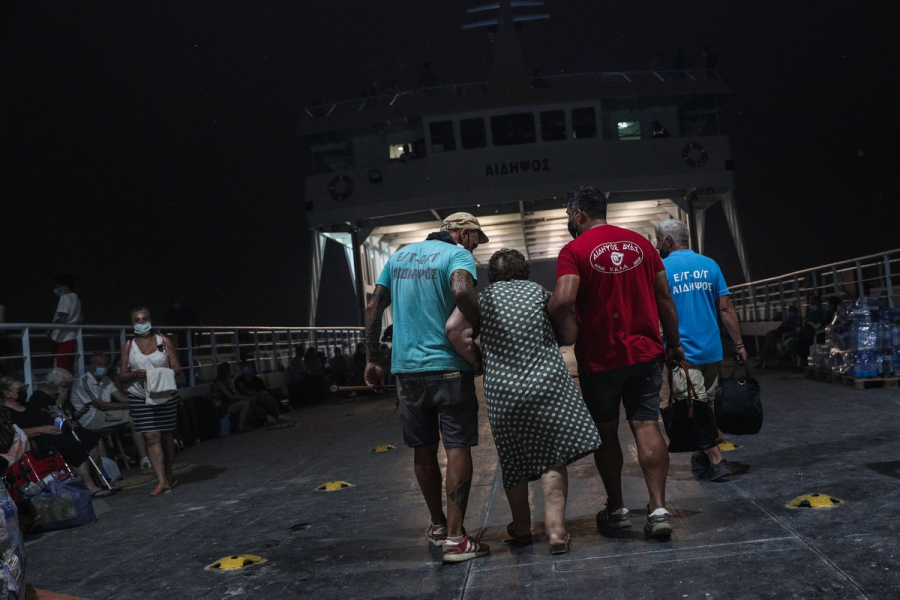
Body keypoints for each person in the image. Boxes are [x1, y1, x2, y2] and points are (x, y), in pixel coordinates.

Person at [548, 186, 685, 539]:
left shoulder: (574, 250)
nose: (569, 221)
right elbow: (664, 297)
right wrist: (673, 344)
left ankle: (617, 508)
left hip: (600, 358)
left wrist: (563, 330)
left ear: (579, 214)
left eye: (568, 215)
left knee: (607, 431)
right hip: (645, 353)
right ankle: (657, 509)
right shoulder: (640, 244)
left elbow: (563, 300)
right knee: (646, 424)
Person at [446, 249, 603, 554]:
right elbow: (570, 334)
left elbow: (454, 330)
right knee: (553, 458)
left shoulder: (483, 299)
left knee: (514, 460)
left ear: (492, 274)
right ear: (525, 270)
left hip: (503, 393)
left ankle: (521, 529)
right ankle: (556, 532)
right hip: (547, 386)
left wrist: (477, 360)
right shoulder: (541, 294)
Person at [364, 212, 489, 564]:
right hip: (449, 368)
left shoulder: (399, 255)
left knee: (422, 448)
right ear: (463, 235)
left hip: (406, 371)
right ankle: (456, 539)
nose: (476, 248)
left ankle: (437, 525)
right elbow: (462, 290)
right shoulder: (457, 256)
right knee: (457, 447)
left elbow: (375, 307)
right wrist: (478, 327)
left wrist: (373, 358)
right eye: (476, 240)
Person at [655, 219, 749, 481]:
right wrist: (739, 344)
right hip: (711, 349)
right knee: (703, 406)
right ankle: (700, 457)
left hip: (681, 352)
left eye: (658, 240)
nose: (656, 245)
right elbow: (726, 308)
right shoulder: (710, 265)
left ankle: (717, 460)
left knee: (692, 409)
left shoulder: (660, 268)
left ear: (668, 241)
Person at [0, 371, 114, 498]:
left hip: (54, 431)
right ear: (7, 393)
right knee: (71, 445)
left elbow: (45, 414)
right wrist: (41, 429)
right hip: (38, 439)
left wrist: (57, 416)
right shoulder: (5, 412)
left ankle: (101, 481)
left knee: (89, 438)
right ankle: (90, 486)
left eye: (24, 388)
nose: (23, 391)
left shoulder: (27, 405)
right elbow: (15, 433)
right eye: (19, 389)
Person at [119, 307, 181, 496]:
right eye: (137, 320)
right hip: (139, 395)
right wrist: (135, 375)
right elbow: (122, 375)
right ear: (132, 324)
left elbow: (177, 368)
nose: (141, 323)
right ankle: (161, 480)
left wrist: (157, 374)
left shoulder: (164, 341)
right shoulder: (129, 346)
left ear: (150, 320)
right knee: (150, 436)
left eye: (144, 319)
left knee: (167, 435)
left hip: (164, 393)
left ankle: (169, 472)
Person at [72, 353, 150, 470]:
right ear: (90, 366)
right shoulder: (85, 382)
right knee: (134, 418)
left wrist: (139, 400)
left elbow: (120, 396)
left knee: (138, 416)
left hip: (104, 415)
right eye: (99, 364)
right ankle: (144, 458)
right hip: (91, 419)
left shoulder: (106, 379)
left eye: (105, 364)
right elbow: (101, 405)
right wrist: (130, 405)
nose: (103, 367)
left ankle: (146, 457)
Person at [49, 273, 83, 373]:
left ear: (64, 286)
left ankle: (60, 388)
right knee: (69, 369)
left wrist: (50, 328)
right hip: (72, 338)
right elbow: (81, 319)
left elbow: (63, 319)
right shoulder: (77, 298)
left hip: (62, 339)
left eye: (57, 287)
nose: (56, 289)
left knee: (59, 370)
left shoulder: (65, 297)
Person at [211, 363, 254, 432]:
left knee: (250, 402)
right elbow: (231, 395)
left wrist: (246, 397)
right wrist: (246, 398)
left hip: (228, 403)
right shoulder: (219, 383)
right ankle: (240, 426)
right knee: (245, 403)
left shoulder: (227, 382)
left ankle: (245, 424)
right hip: (221, 406)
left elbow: (236, 393)